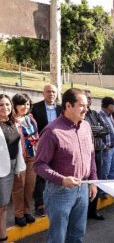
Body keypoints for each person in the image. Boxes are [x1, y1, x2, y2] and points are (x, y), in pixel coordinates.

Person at [33, 88, 97, 243]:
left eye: (86, 105)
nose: (86, 109)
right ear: (68, 106)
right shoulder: (51, 131)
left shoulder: (86, 127)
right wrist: (62, 179)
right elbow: (39, 165)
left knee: (77, 235)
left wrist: (93, 180)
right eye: (82, 105)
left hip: (83, 188)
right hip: (59, 192)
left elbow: (91, 155)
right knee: (58, 238)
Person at [31, 84, 61, 216]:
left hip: (59, 146)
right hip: (42, 145)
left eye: (54, 92)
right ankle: (39, 204)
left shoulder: (62, 109)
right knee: (41, 175)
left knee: (57, 173)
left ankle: (55, 200)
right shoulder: (36, 108)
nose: (51, 94)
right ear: (43, 93)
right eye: (48, 92)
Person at [0, 94, 26, 243]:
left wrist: (18, 166)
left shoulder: (13, 123)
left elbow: (16, 146)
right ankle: (3, 237)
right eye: (1, 105)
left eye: (7, 104)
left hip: (12, 167)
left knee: (3, 206)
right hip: (1, 169)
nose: (5, 108)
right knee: (2, 205)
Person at [12, 94, 39, 227]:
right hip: (19, 158)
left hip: (32, 157)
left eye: (27, 104)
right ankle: (19, 214)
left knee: (30, 186)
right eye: (22, 104)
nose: (25, 107)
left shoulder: (31, 119)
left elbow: (36, 135)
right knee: (19, 187)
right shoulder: (11, 120)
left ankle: (28, 211)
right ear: (15, 105)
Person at [84, 90, 109, 221]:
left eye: (89, 98)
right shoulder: (80, 115)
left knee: (96, 181)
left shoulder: (94, 113)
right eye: (86, 98)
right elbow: (84, 129)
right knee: (84, 182)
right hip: (84, 153)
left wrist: (94, 130)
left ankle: (93, 210)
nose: (88, 101)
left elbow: (107, 129)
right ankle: (83, 211)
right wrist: (96, 130)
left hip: (97, 152)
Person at [99, 97, 114, 185]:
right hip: (106, 150)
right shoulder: (99, 116)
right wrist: (104, 146)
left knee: (113, 170)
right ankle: (103, 193)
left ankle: (110, 191)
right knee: (105, 172)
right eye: (113, 105)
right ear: (109, 106)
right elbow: (96, 134)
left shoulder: (110, 116)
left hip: (113, 148)